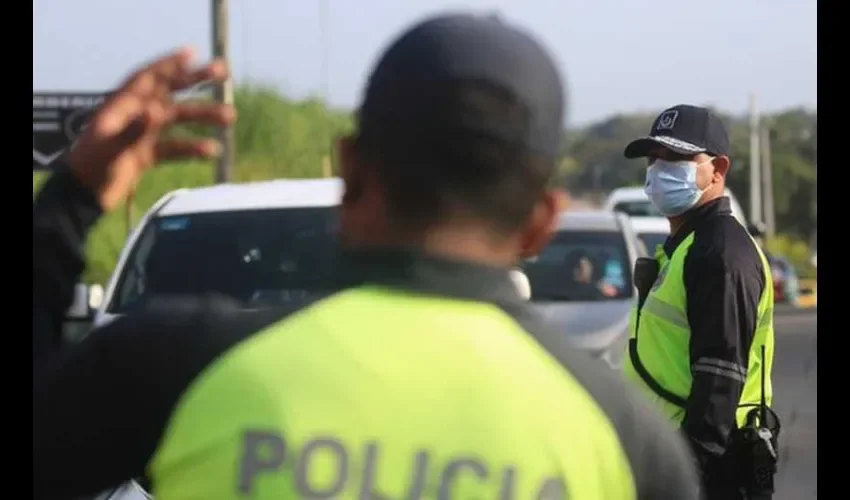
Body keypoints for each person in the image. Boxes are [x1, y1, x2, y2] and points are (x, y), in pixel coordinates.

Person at [33, 16, 700, 500]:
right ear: (542, 222)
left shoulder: (164, 370)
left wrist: (70, 201)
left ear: (350, 170)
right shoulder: (625, 437)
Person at [621, 104, 777, 499]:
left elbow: (719, 381)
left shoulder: (721, 254)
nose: (658, 169)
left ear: (717, 169)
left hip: (707, 473)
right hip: (668, 457)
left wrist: (683, 476)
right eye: (654, 158)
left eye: (676, 157)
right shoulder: (688, 246)